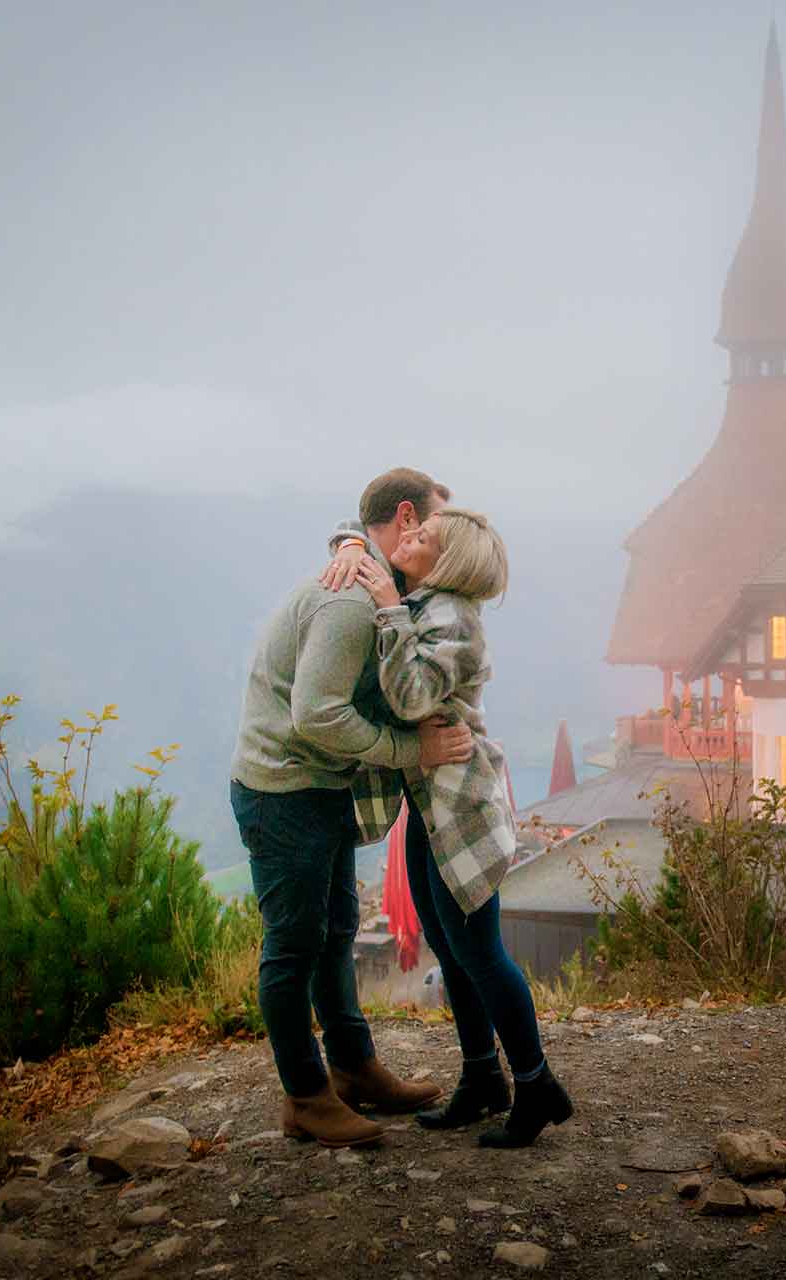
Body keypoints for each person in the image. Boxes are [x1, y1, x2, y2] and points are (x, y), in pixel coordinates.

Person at [229, 467, 467, 1148]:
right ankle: (306, 1096)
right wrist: (408, 749)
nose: (443, 549)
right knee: (294, 945)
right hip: (283, 792)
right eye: (437, 531)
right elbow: (314, 714)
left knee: (335, 930)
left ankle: (355, 1069)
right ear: (406, 519)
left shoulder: (367, 581)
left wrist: (350, 541)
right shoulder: (349, 604)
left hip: (316, 787)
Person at [338, 508, 574, 1147]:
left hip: (460, 806)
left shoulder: (453, 617)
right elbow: (364, 521)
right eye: (411, 531)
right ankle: (480, 1080)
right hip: (429, 802)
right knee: (449, 942)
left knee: (480, 952)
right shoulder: (426, 601)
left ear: (445, 562)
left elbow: (412, 698)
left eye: (424, 538)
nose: (408, 539)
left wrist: (387, 604)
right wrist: (352, 542)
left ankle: (536, 1084)